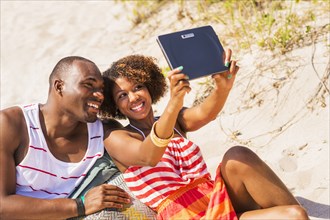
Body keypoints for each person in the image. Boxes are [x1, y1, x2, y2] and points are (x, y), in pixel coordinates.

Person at [100, 53, 309, 219]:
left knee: (239, 157)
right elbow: (148, 155)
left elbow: (205, 113)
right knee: (293, 215)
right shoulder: (118, 136)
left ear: (149, 86)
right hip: (183, 215)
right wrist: (174, 102)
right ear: (115, 105)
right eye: (122, 95)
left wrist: (222, 86)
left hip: (214, 200)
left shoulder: (175, 120)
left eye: (138, 87)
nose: (134, 97)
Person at [0, 56, 133, 219]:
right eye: (88, 85)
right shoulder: (12, 124)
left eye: (101, 89)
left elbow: (145, 153)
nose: (99, 95)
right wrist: (80, 205)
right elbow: (2, 206)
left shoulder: (104, 132)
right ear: (59, 86)